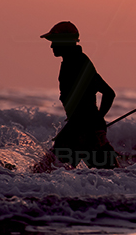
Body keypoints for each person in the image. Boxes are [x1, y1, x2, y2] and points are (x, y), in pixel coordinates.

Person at [39, 21, 119, 169]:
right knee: (109, 176)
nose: (51, 46)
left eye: (54, 42)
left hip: (83, 130)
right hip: (81, 128)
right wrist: (97, 122)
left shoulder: (79, 63)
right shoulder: (72, 62)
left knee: (47, 171)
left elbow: (109, 93)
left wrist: (98, 121)